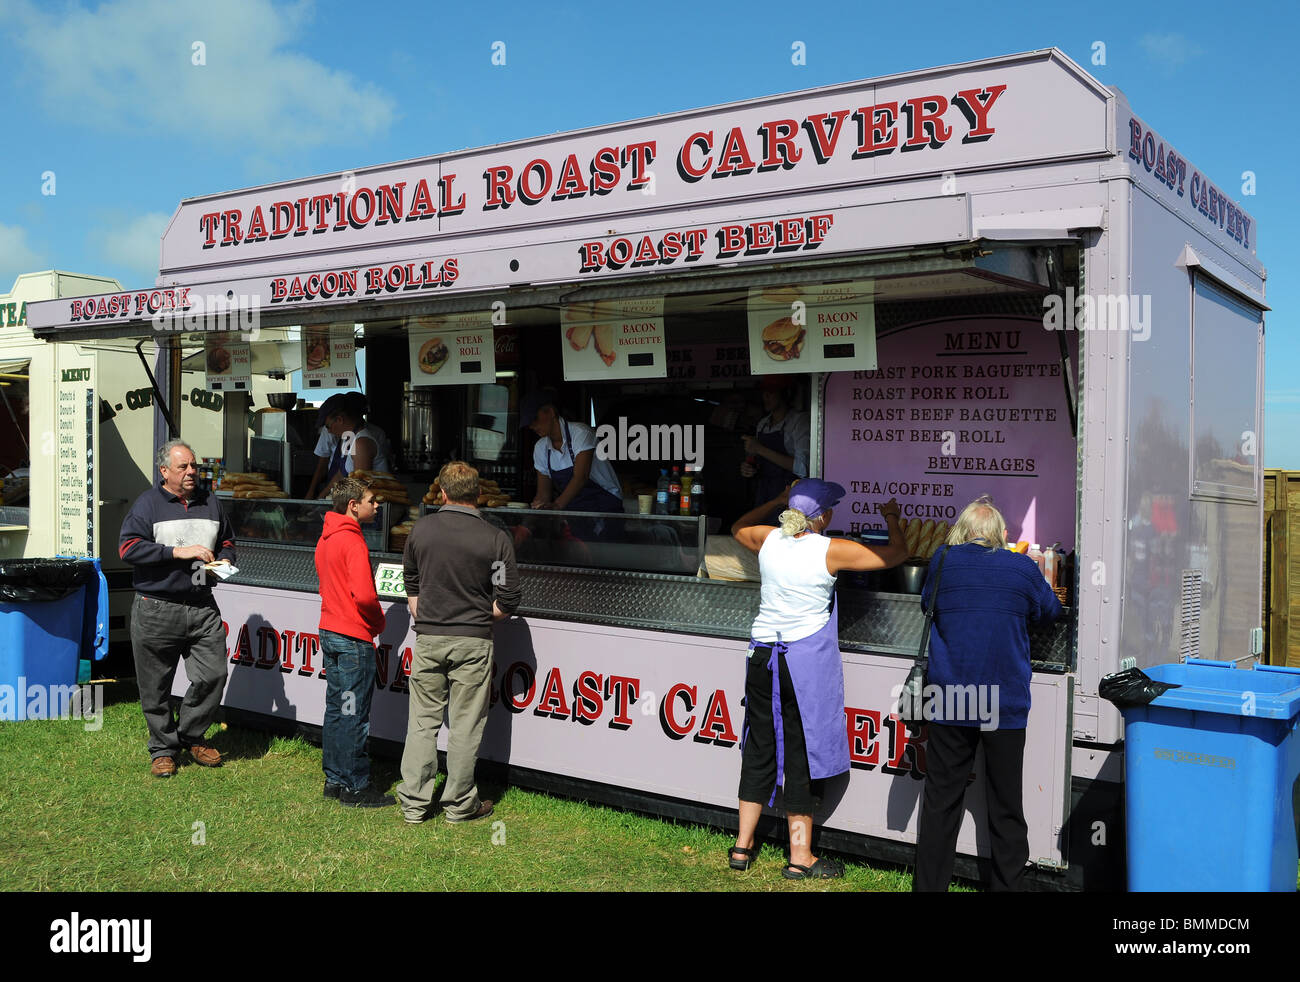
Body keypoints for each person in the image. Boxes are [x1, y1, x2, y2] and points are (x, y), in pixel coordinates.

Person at [729, 481, 907, 878]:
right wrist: (892, 517)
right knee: (800, 753)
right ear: (823, 516)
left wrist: (774, 499)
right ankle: (800, 857)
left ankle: (742, 846)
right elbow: (898, 554)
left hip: (761, 656)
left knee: (759, 745)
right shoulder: (829, 549)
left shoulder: (768, 539)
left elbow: (738, 527)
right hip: (801, 665)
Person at [913, 498, 1063, 892]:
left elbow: (927, 604)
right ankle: (1008, 885)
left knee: (941, 800)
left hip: (952, 695)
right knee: (1006, 803)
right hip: (1004, 699)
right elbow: (1050, 612)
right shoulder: (1022, 567)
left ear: (962, 531)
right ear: (1000, 535)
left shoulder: (943, 561)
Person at [398, 461, 521, 824]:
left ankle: (415, 805)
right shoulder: (495, 537)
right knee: (466, 724)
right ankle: (459, 805)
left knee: (422, 722)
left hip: (430, 638)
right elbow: (508, 596)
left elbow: (412, 581)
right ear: (478, 494)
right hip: (473, 641)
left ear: (443, 493)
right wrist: (484, 616)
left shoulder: (421, 530)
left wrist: (426, 615)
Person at [118, 439, 236, 778]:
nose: (190, 472)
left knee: (213, 674)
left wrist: (226, 558)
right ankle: (162, 749)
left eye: (193, 466)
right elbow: (127, 548)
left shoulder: (210, 502)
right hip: (157, 607)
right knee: (155, 686)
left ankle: (192, 734)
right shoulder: (148, 504)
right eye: (183, 467)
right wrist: (174, 553)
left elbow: (227, 540)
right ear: (164, 471)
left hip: (202, 606)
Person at [315, 476, 393, 808]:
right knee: (354, 713)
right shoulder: (353, 541)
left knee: (337, 709)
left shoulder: (326, 538)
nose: (377, 506)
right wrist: (378, 622)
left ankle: (335, 779)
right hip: (352, 637)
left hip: (331, 631)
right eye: (372, 500)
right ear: (353, 505)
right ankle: (355, 786)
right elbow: (364, 595)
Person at [522, 388, 623, 513]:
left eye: (534, 419)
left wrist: (557, 506)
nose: (532, 426)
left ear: (551, 412)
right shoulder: (540, 448)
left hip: (606, 507)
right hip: (576, 512)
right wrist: (536, 509)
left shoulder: (581, 433)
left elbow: (581, 477)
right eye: (529, 423)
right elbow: (543, 495)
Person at [740, 377, 810, 518]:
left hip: (789, 496)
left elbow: (803, 468)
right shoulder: (763, 424)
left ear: (785, 394)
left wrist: (759, 449)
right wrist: (749, 468)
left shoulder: (799, 421)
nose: (765, 397)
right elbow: (758, 460)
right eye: (764, 393)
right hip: (763, 494)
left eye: (771, 392)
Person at [305, 392, 392, 499]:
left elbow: (360, 490)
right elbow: (340, 474)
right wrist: (320, 499)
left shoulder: (362, 443)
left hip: (375, 509)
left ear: (339, 420)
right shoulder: (349, 437)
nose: (329, 431)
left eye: (328, 426)